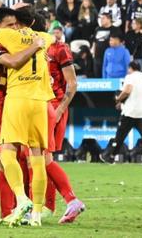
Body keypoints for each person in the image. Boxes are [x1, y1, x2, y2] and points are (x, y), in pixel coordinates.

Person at [0, 4, 54, 227]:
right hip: (40, 102)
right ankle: (36, 215)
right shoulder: (46, 37)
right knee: (36, 157)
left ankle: (21, 198)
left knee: (7, 151)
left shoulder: (7, 35)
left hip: (17, 99)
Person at [44, 25, 85, 223]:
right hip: (37, 105)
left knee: (38, 156)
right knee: (42, 157)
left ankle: (69, 200)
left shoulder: (58, 48)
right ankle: (48, 206)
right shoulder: (31, 46)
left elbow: (72, 83)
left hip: (52, 105)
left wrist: (59, 110)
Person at [105, 61, 142, 166]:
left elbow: (128, 90)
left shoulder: (130, 77)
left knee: (120, 135)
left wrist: (118, 99)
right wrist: (122, 104)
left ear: (130, 68)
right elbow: (136, 95)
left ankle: (111, 157)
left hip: (131, 112)